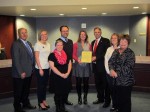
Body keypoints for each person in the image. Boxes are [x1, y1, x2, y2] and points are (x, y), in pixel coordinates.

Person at [11, 28, 36, 112]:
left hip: (29, 72)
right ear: (19, 34)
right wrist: (21, 72)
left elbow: (31, 57)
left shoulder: (28, 43)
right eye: (22, 33)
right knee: (18, 91)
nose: (24, 34)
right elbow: (16, 60)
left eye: (25, 32)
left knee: (26, 90)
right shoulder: (16, 44)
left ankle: (25, 103)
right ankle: (17, 107)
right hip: (20, 74)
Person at [108, 34, 135, 112]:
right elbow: (110, 62)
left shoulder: (130, 53)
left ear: (128, 42)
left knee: (125, 101)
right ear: (119, 41)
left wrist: (116, 73)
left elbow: (129, 67)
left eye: (125, 41)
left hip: (126, 82)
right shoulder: (116, 51)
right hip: (116, 82)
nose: (123, 42)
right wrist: (111, 70)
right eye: (121, 40)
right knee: (118, 100)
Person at [48, 39, 72, 112]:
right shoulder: (52, 55)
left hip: (66, 76)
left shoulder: (66, 54)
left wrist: (67, 73)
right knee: (58, 93)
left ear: (63, 46)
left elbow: (69, 64)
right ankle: (58, 108)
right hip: (56, 76)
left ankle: (62, 107)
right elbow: (52, 67)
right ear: (55, 46)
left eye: (61, 45)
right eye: (58, 45)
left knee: (64, 92)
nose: (60, 46)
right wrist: (61, 74)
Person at [91, 27, 111, 108]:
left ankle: (107, 101)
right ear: (94, 33)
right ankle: (100, 98)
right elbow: (92, 53)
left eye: (98, 32)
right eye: (95, 32)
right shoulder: (93, 42)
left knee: (105, 85)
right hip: (95, 67)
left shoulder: (106, 41)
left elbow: (105, 53)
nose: (96, 33)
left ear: (101, 32)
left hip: (103, 67)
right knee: (98, 84)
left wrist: (96, 57)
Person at [73, 30, 92, 105]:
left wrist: (89, 58)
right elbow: (73, 54)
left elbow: (90, 54)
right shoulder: (75, 44)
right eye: (81, 34)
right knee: (78, 83)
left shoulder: (89, 44)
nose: (83, 35)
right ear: (79, 36)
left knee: (86, 83)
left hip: (86, 66)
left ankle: (85, 98)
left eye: (84, 34)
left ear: (86, 36)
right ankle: (79, 98)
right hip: (78, 65)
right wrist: (77, 59)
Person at [34, 30, 50, 110]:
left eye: (45, 34)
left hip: (47, 68)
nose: (44, 36)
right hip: (40, 68)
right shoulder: (37, 44)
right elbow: (36, 57)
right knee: (40, 86)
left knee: (44, 86)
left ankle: (44, 100)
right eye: (42, 34)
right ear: (40, 36)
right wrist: (40, 68)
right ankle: (40, 103)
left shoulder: (48, 44)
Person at [57, 25, 73, 105]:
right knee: (61, 85)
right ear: (60, 32)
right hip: (61, 67)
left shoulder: (70, 41)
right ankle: (61, 101)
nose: (65, 32)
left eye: (67, 30)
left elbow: (71, 54)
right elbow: (56, 54)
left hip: (69, 66)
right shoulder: (58, 41)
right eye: (63, 31)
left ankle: (65, 99)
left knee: (67, 84)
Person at [105, 33, 120, 112]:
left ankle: (119, 105)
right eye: (112, 38)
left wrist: (116, 72)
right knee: (112, 90)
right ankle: (114, 105)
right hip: (109, 74)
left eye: (115, 38)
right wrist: (108, 71)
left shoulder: (121, 48)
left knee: (118, 90)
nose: (113, 39)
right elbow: (106, 61)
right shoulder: (109, 49)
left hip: (118, 75)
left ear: (118, 40)